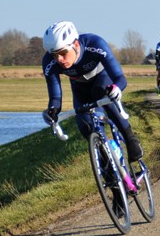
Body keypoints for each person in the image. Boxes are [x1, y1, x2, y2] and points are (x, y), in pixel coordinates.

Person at [41, 21, 143, 162]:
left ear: (76, 45)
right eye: (54, 55)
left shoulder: (94, 44)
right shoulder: (49, 62)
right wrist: (52, 110)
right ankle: (108, 171)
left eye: (63, 53)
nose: (59, 59)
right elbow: (55, 96)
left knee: (100, 92)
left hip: (102, 79)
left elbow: (120, 78)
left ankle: (130, 138)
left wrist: (117, 88)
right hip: (79, 88)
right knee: (86, 127)